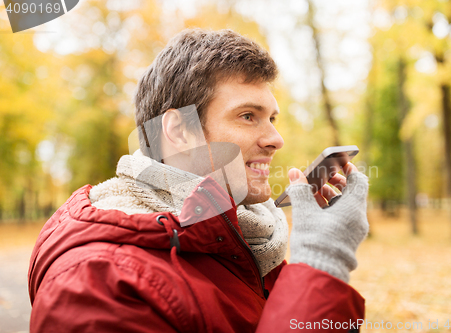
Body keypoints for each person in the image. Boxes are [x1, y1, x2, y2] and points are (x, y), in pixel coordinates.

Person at [28, 29, 369, 332]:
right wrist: (320, 266)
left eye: (273, 118)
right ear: (178, 130)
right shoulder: (99, 283)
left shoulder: (249, 246)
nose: (276, 139)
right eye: (248, 116)